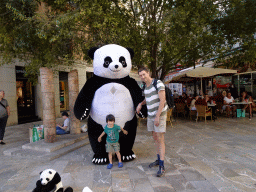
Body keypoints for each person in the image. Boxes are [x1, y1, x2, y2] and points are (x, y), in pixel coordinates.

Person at [136, 66, 168, 177]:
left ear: (148, 73)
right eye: (140, 75)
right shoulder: (144, 86)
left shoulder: (158, 83)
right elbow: (148, 98)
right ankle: (158, 159)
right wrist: (141, 104)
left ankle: (162, 165)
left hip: (160, 114)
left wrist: (158, 116)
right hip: (150, 115)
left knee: (160, 138)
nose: (142, 77)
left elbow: (162, 100)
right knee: (155, 137)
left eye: (144, 74)